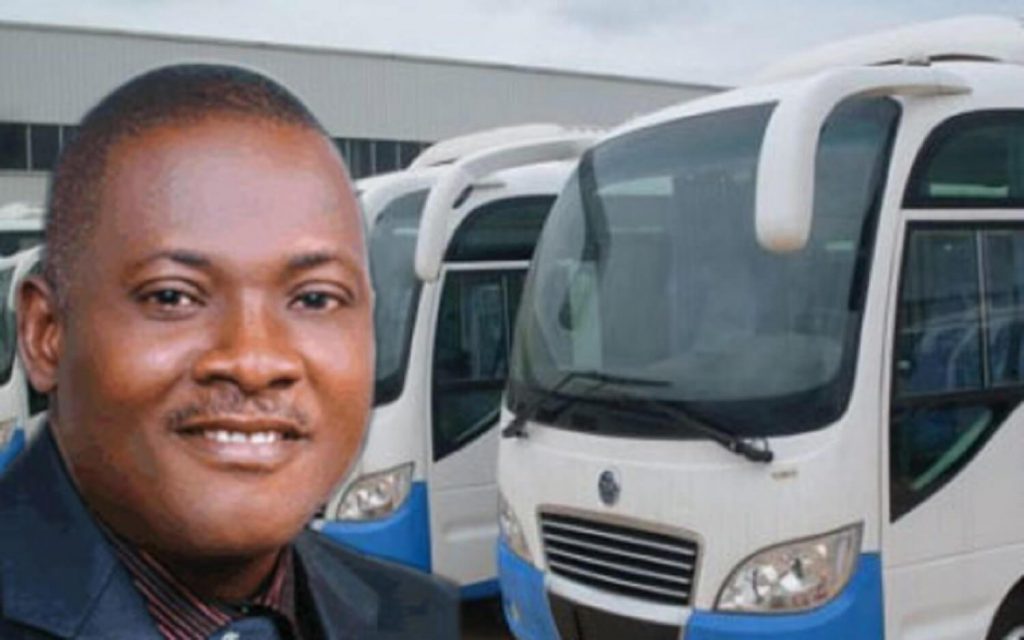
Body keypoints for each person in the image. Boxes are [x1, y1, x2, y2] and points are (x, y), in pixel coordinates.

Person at [0, 64, 458, 639]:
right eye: (173, 296)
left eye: (314, 298)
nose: (254, 362)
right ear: (46, 333)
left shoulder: (415, 616)